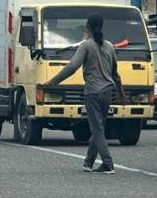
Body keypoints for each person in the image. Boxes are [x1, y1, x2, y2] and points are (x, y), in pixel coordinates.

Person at [43, 13, 127, 173]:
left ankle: (108, 163)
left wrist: (52, 82)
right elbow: (115, 73)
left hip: (93, 92)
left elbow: (72, 66)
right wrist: (122, 94)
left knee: (96, 129)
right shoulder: (109, 46)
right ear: (102, 27)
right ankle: (88, 162)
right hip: (108, 92)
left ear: (87, 26)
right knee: (99, 127)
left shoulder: (86, 45)